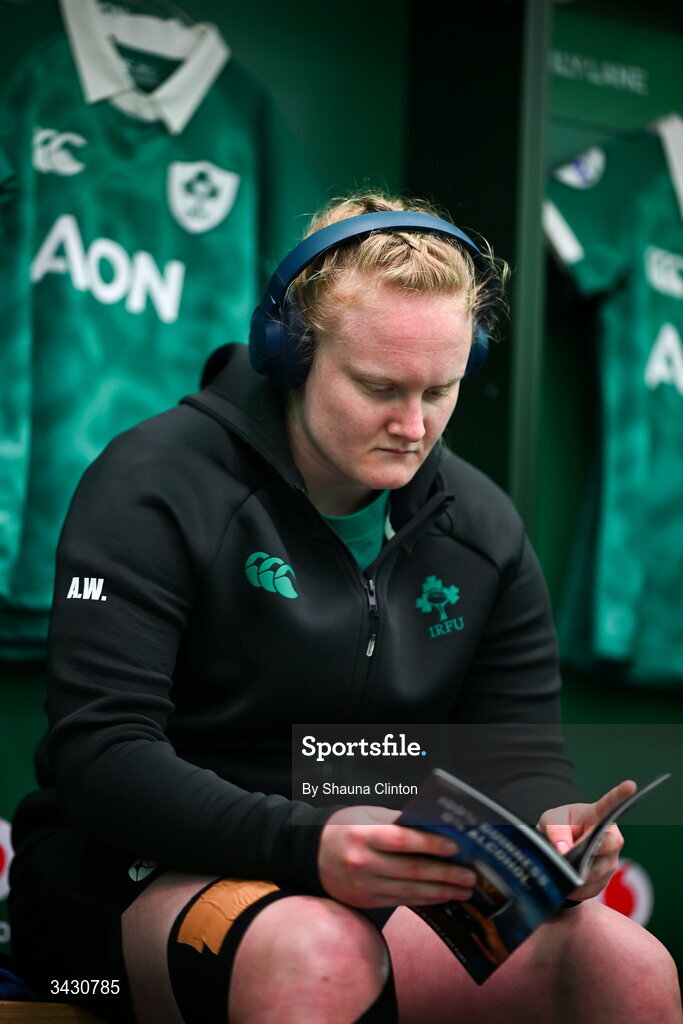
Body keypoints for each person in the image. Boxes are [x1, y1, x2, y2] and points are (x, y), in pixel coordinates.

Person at [8, 193, 681, 1024]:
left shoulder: (481, 526)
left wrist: (554, 829)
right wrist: (308, 846)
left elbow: (516, 756)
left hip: (373, 883)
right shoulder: (153, 481)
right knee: (319, 954)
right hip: (126, 878)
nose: (413, 424)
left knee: (626, 965)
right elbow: (99, 758)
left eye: (442, 388)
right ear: (290, 355)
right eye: (377, 387)